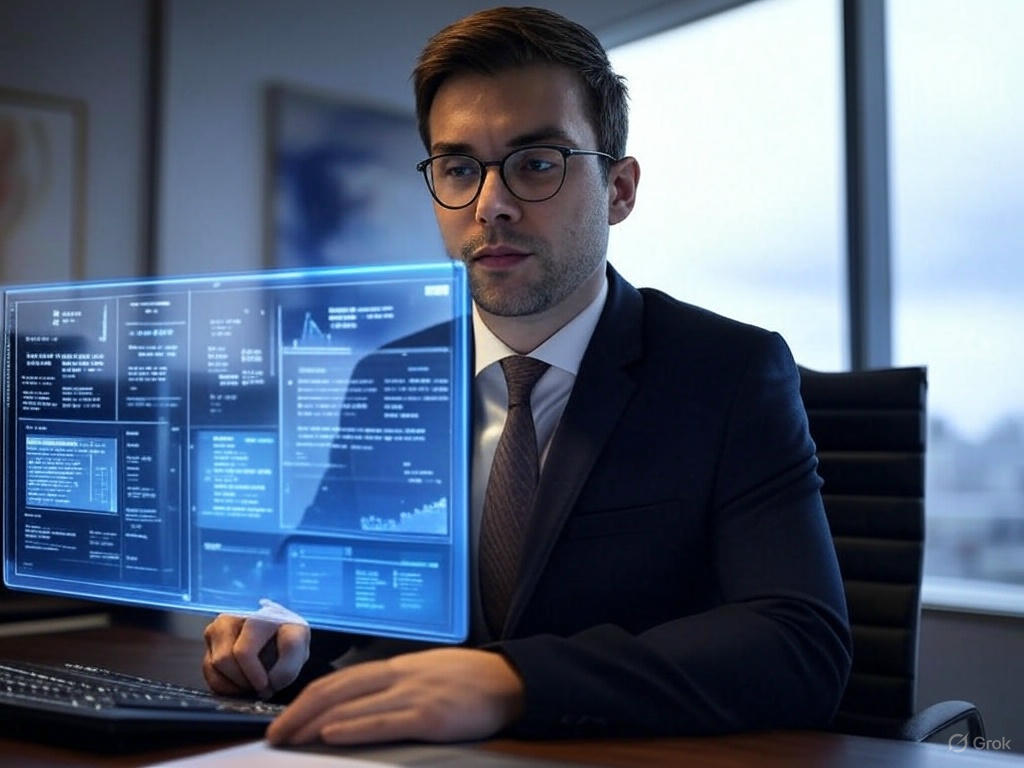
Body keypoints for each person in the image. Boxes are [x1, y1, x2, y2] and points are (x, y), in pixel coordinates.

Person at [202, 5, 852, 746]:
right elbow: (328, 576)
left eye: (537, 164)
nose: (491, 205)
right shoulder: (394, 374)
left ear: (620, 190)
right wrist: (273, 627)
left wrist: (515, 681)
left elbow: (800, 643)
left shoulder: (728, 373)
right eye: (458, 168)